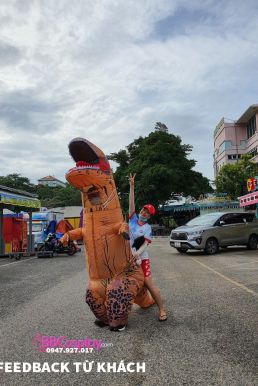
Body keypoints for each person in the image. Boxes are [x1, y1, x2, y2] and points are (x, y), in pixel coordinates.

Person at [128, 173, 167, 321]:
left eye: (147, 212)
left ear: (149, 216)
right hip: (128, 258)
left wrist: (137, 253)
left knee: (149, 284)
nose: (144, 212)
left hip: (141, 259)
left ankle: (162, 309)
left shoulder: (147, 228)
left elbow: (145, 244)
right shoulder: (132, 219)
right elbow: (131, 204)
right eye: (144, 210)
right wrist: (132, 186)